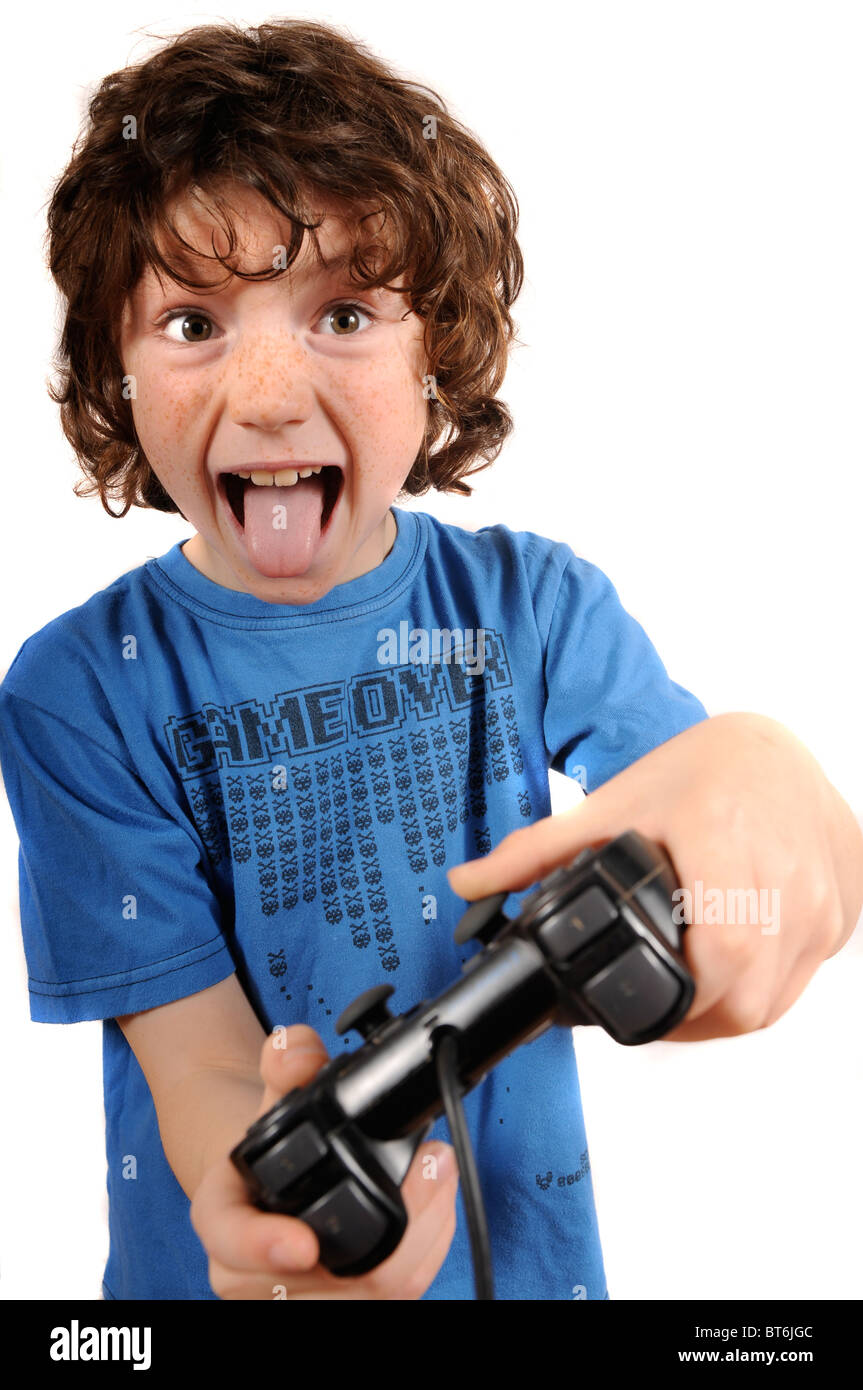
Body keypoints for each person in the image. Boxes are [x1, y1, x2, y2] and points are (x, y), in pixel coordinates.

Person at [1, 19, 860, 1302]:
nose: (273, 393)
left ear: (433, 351)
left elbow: (704, 839)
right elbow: (203, 1071)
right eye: (191, 322)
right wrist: (289, 1201)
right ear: (111, 376)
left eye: (343, 312)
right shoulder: (80, 691)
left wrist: (773, 778)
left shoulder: (535, 606)